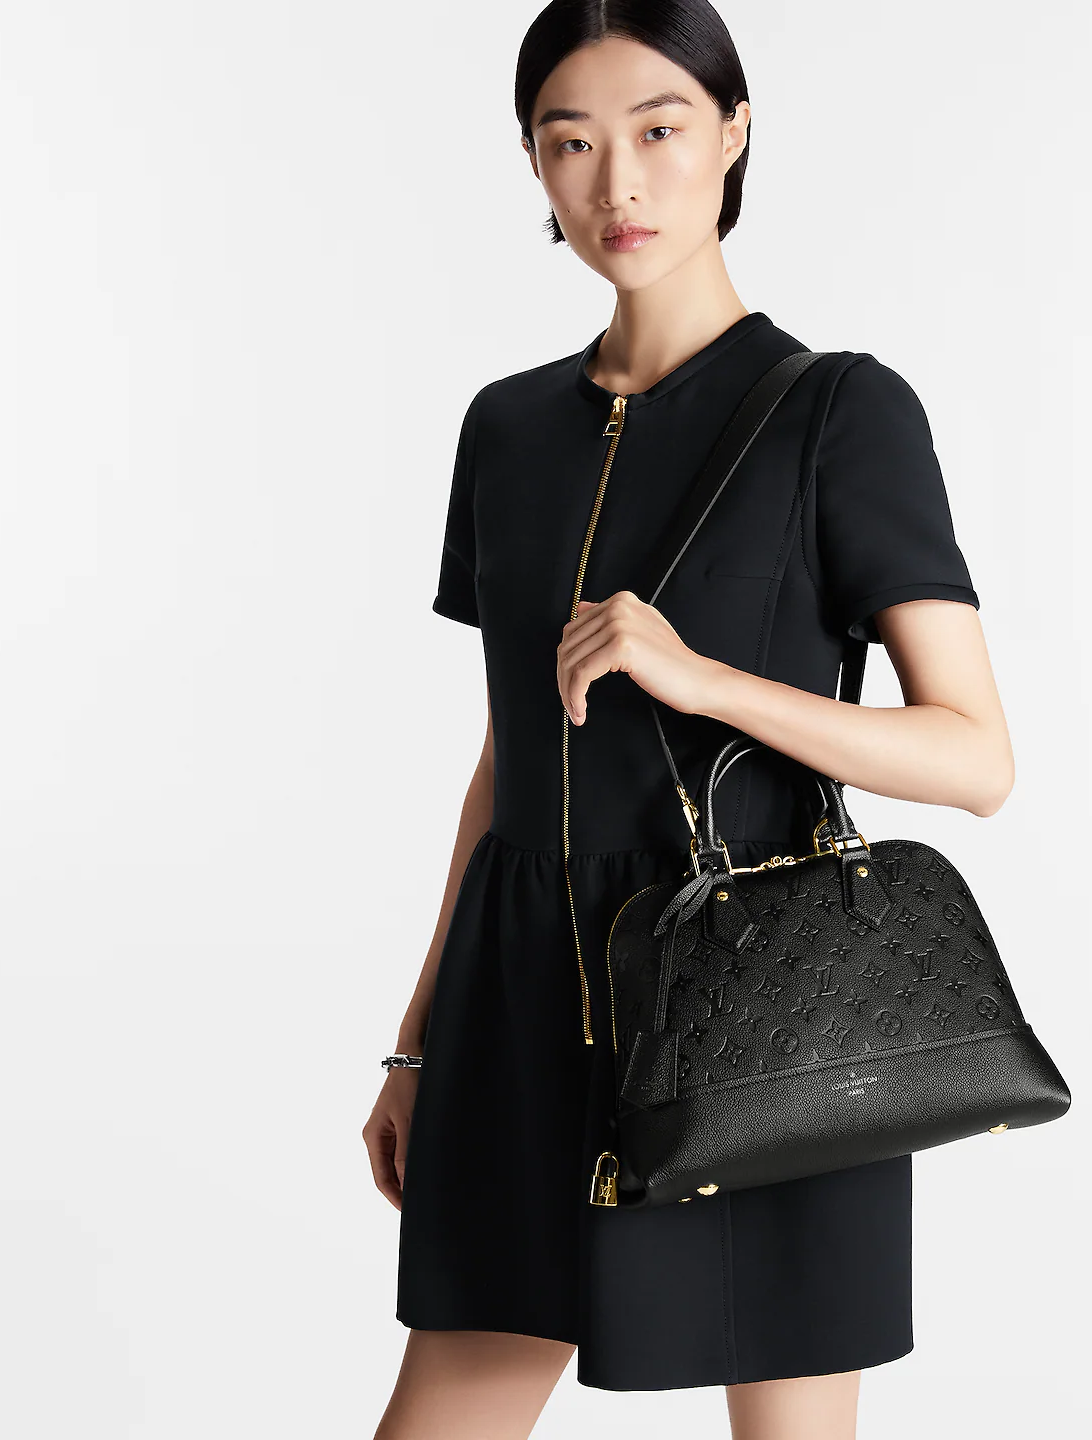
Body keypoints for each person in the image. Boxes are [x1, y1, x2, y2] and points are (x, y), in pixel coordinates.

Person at [364, 2, 1014, 1435]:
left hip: (754, 1006)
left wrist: (707, 681)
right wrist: (419, 1039)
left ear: (733, 133)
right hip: (519, 1005)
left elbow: (975, 756)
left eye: (660, 130)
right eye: (571, 142)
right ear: (533, 163)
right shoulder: (504, 429)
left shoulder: (842, 412)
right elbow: (509, 761)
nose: (619, 183)